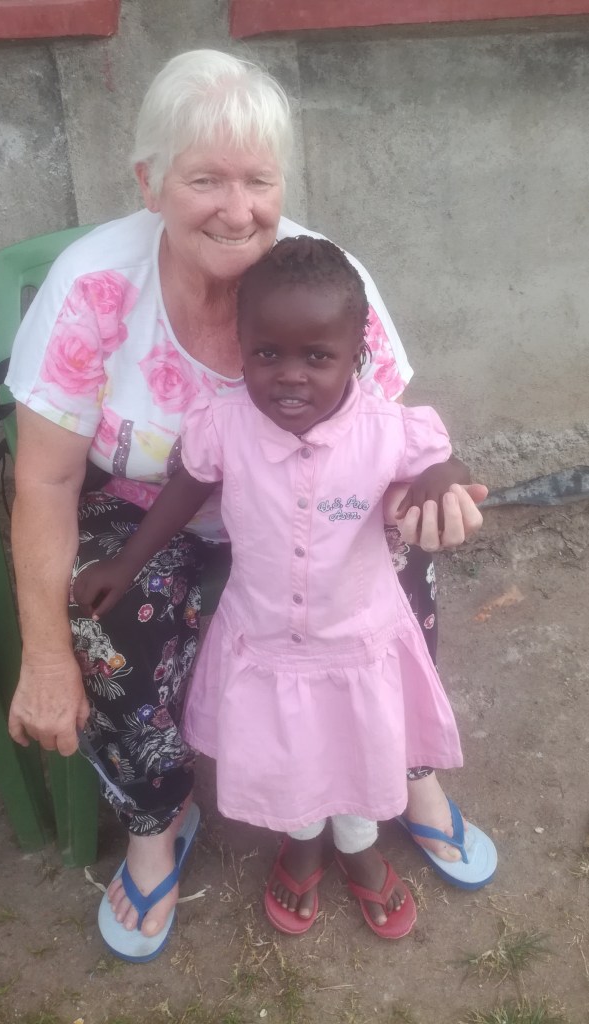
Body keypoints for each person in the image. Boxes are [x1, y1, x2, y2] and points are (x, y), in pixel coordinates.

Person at [5, 49, 494, 961]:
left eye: (258, 181)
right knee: (108, 611)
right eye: (205, 180)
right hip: (153, 507)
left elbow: (387, 437)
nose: (238, 210)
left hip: (314, 506)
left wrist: (429, 492)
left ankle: (404, 768)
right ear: (149, 182)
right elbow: (45, 480)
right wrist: (42, 656)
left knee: (396, 564)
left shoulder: (324, 277)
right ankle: (157, 818)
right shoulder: (95, 286)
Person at [74, 235, 470, 940]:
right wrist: (125, 564)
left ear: (357, 354)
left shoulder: (386, 430)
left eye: (316, 357)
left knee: (359, 745)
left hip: (356, 642)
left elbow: (438, 463)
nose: (289, 376)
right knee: (292, 755)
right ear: (241, 347)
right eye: (266, 354)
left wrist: (442, 478)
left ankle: (360, 846)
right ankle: (302, 843)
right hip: (266, 640)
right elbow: (183, 491)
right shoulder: (225, 425)